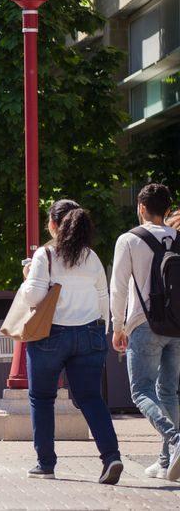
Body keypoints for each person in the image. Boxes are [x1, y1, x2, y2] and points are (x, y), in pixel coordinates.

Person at [19, 199, 122, 484]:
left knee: (41, 398)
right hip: (90, 332)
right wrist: (103, 331)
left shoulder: (46, 255)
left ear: (53, 225)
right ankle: (111, 456)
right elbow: (104, 298)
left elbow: (33, 297)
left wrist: (27, 276)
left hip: (51, 335)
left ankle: (46, 463)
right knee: (90, 398)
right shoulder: (91, 257)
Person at [111, 183, 180, 481]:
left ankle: (176, 439)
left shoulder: (129, 239)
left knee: (141, 391)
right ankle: (165, 463)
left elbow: (119, 286)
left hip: (143, 323)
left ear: (140, 207)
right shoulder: (178, 237)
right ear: (167, 210)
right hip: (176, 325)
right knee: (168, 391)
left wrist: (117, 326)